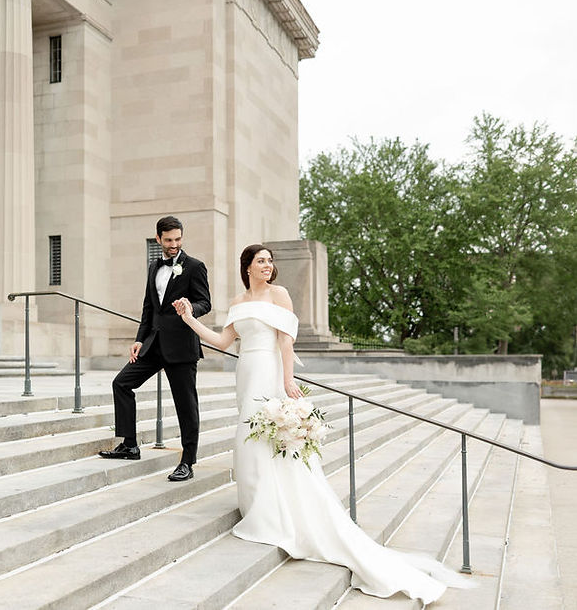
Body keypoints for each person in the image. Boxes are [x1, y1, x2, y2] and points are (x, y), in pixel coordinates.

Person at [172, 244, 471, 604]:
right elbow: (223, 341)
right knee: (248, 438)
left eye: (270, 260)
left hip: (268, 371)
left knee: (269, 436)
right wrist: (189, 318)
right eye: (261, 261)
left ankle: (275, 513)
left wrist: (287, 380)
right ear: (247, 267)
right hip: (245, 371)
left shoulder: (280, 295)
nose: (268, 265)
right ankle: (257, 506)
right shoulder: (239, 300)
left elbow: (285, 341)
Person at [99, 216, 211, 482]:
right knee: (122, 384)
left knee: (186, 405)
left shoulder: (195, 266)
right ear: (158, 239)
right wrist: (139, 338)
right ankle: (129, 444)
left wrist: (190, 309)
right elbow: (148, 308)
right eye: (169, 240)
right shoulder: (153, 267)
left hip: (182, 347)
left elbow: (205, 302)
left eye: (178, 239)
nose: (174, 245)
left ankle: (187, 461)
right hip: (153, 344)